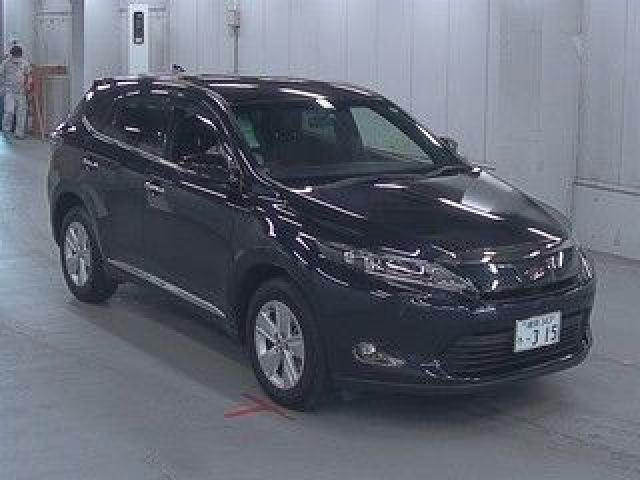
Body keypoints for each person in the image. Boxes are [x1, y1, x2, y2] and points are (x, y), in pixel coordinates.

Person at [1, 45, 31, 139]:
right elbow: (1, 75)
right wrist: (2, 88)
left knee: (21, 112)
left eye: (18, 56)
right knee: (9, 110)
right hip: (9, 90)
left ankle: (19, 133)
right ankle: (6, 130)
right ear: (11, 55)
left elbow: (28, 75)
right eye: (15, 56)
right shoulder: (5, 63)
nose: (16, 58)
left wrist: (27, 85)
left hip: (21, 91)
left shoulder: (25, 63)